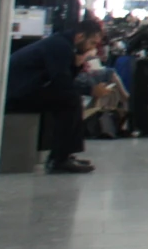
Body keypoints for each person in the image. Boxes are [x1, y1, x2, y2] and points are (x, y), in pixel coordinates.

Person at [7, 20, 101, 174]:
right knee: (70, 100)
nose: (92, 48)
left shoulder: (62, 43)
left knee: (70, 98)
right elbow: (61, 81)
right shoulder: (60, 47)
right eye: (91, 42)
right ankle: (59, 159)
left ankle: (65, 154)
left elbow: (63, 79)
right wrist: (90, 89)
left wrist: (76, 65)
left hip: (24, 89)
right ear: (80, 36)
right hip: (18, 93)